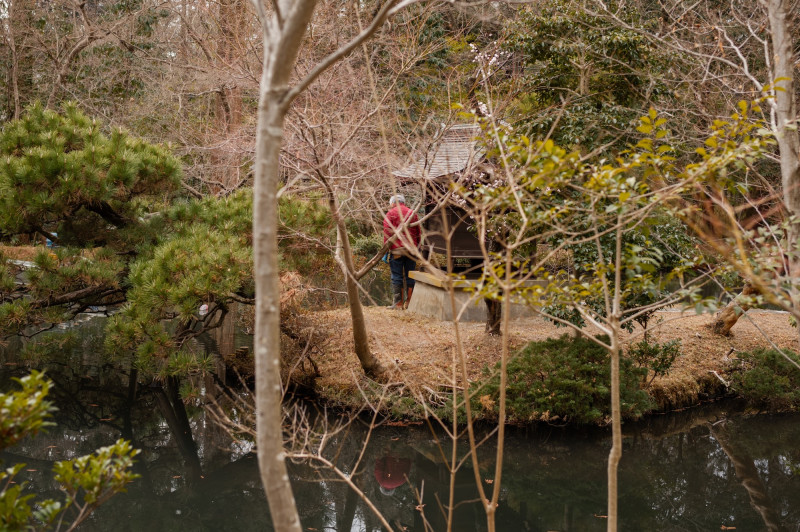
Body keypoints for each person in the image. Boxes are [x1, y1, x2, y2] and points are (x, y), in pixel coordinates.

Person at [382, 194, 420, 309]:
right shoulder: (412, 213)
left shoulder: (390, 214)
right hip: (411, 250)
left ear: (393, 203)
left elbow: (387, 233)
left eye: (390, 204)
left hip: (397, 251)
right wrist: (417, 248)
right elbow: (418, 233)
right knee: (410, 275)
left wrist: (386, 250)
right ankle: (409, 303)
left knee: (397, 276)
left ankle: (398, 304)